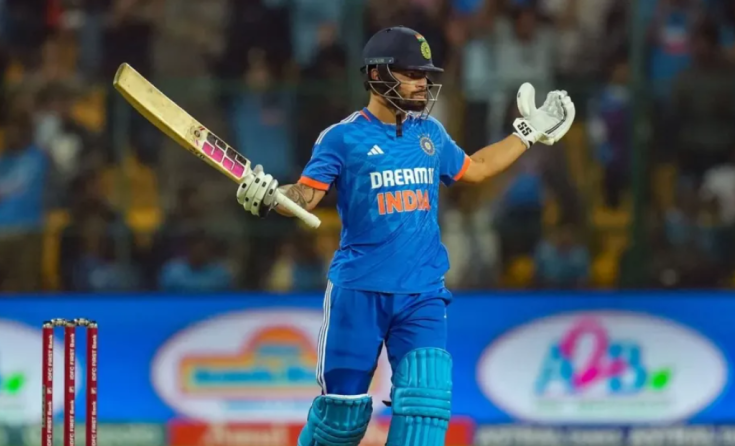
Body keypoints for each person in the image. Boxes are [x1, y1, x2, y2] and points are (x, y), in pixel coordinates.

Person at [235, 26, 575, 446]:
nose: (422, 83)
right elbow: (306, 195)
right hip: (359, 291)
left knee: (425, 410)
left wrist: (527, 134)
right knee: (341, 420)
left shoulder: (429, 133)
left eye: (425, 75)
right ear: (377, 75)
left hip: (422, 294)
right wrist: (273, 196)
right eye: (412, 74)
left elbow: (477, 168)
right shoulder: (342, 138)